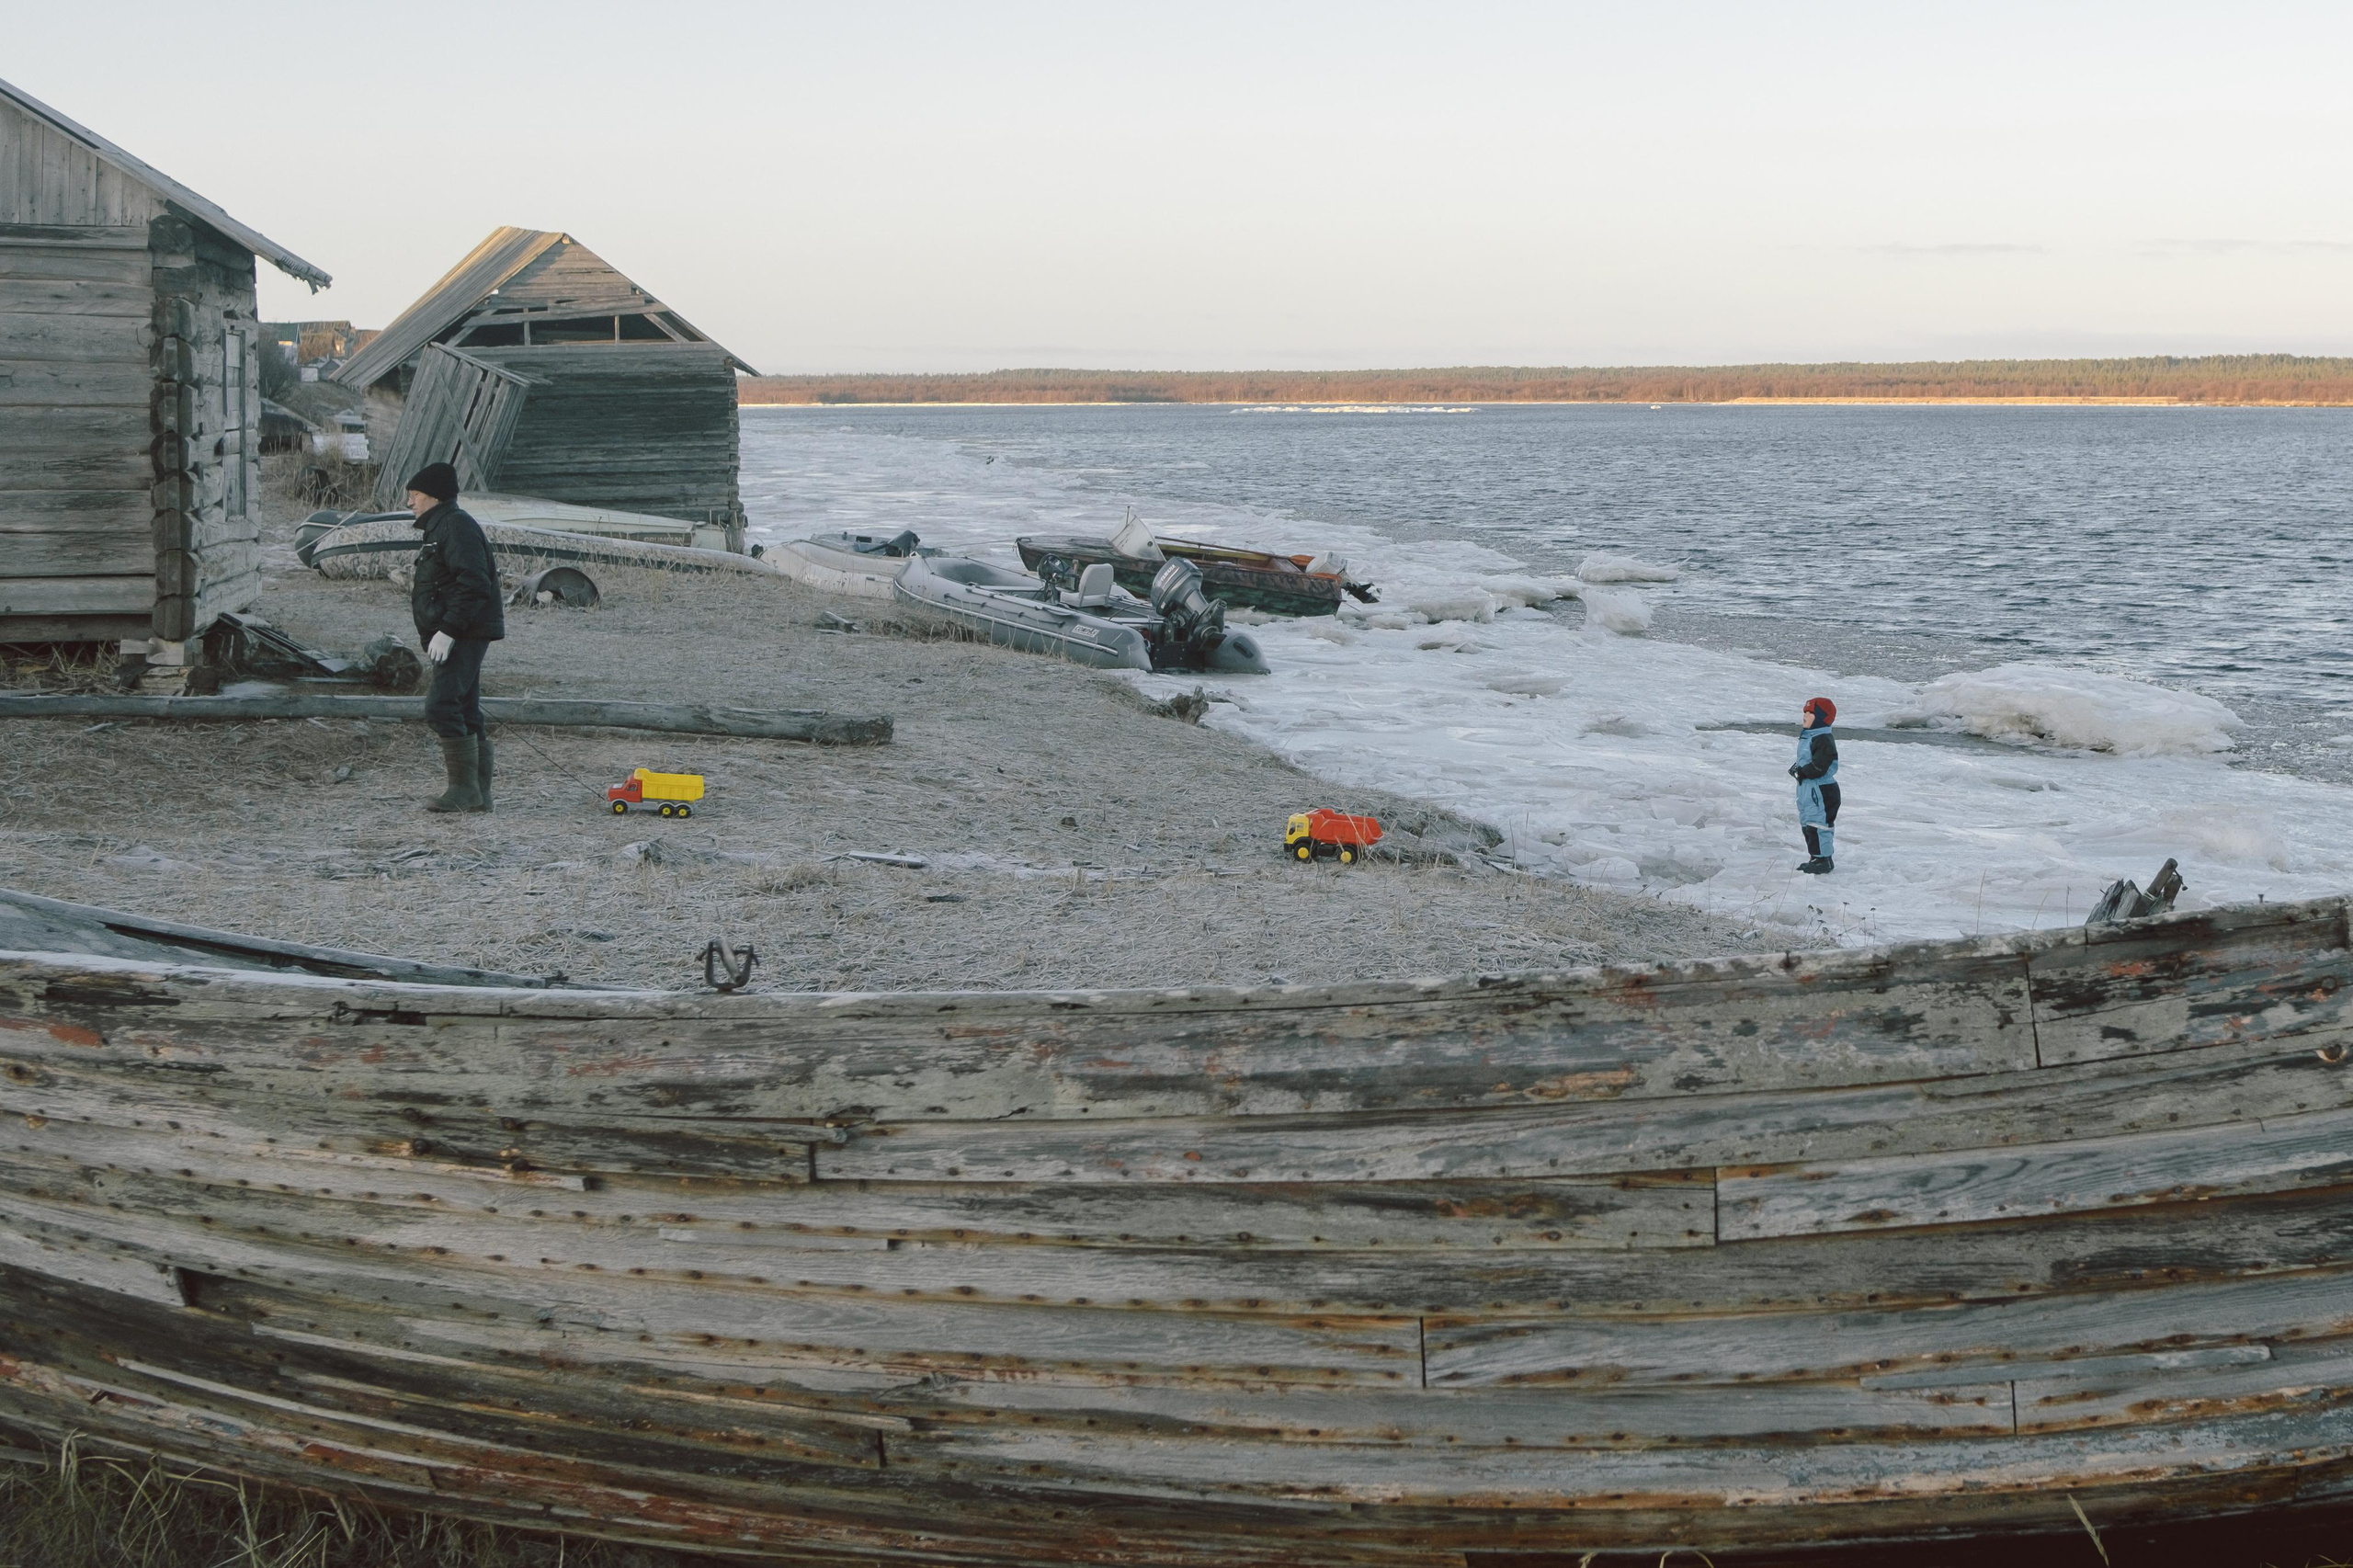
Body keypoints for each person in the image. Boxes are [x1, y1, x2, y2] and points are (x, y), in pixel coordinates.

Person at [404, 462, 505, 813]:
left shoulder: (454, 526)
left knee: (441, 705)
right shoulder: (443, 525)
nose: (410, 502)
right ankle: (478, 795)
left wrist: (448, 630)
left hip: (464, 632)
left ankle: (464, 792)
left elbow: (475, 582)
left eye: (414, 495)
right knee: (464, 707)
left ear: (434, 496)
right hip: (463, 630)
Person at [1789, 696, 1839, 874]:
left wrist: (1802, 772)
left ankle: (1823, 860)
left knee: (1818, 824)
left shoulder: (1823, 738)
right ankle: (1816, 857)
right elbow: (1806, 760)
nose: (1805, 716)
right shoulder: (1809, 736)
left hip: (1821, 789)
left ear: (1821, 718)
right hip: (1808, 788)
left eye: (1810, 713)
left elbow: (1820, 766)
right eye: (1804, 712)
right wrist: (1797, 769)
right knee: (1808, 822)